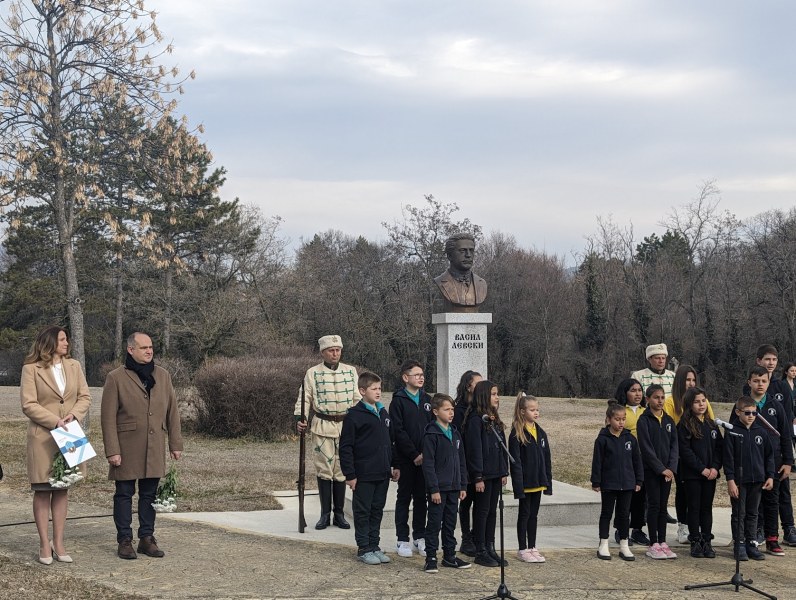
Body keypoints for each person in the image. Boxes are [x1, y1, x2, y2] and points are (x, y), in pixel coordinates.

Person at [101, 332, 183, 560]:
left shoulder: (163, 376)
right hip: (127, 447)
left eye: (151, 347)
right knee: (124, 493)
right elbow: (107, 418)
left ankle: (147, 538)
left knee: (150, 494)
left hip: (154, 444)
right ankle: (124, 540)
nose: (149, 351)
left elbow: (172, 411)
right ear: (131, 350)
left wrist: (175, 444)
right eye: (144, 347)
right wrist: (112, 450)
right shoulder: (116, 378)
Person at [20, 326, 91, 565]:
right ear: (50, 342)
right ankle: (43, 543)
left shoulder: (75, 366)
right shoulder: (31, 369)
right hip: (43, 437)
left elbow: (85, 397)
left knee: (63, 489)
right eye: (62, 339)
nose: (66, 343)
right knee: (43, 490)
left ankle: (58, 542)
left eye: (67, 339)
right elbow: (28, 404)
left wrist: (73, 415)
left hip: (70, 434)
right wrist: (54, 421)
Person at [294, 334, 360, 530]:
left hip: (346, 426)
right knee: (324, 469)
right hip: (322, 426)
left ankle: (339, 514)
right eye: (331, 350)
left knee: (340, 470)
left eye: (338, 350)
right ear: (323, 352)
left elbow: (357, 397)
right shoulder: (312, 373)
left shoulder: (350, 372)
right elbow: (305, 397)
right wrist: (301, 418)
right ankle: (325, 514)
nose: (335, 353)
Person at [339, 372, 400, 565]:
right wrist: (350, 474)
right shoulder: (354, 415)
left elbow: (391, 442)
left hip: (382, 472)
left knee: (377, 510)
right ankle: (364, 547)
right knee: (363, 510)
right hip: (363, 473)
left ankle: (375, 545)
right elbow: (346, 447)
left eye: (380, 388)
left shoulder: (383, 412)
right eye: (374, 388)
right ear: (362, 391)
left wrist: (394, 465)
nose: (378, 392)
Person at [732, 365, 793, 555]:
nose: (760, 384)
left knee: (772, 501)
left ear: (769, 382)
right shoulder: (741, 406)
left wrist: (788, 462)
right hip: (748, 465)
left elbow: (785, 434)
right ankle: (748, 538)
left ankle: (772, 539)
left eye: (764, 381)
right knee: (749, 505)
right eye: (756, 380)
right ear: (749, 382)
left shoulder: (776, 406)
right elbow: (733, 435)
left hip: (772, 462)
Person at [743, 345, 796, 546]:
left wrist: (788, 458)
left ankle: (789, 528)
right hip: (755, 454)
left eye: (774, 359)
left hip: (777, 453)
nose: (771, 363)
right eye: (767, 359)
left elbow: (786, 422)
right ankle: (759, 529)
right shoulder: (749, 389)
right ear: (759, 361)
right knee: (760, 494)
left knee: (781, 492)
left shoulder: (782, 387)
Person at [663, 365, 716, 543]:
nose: (691, 383)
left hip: (702, 455)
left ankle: (701, 529)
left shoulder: (702, 402)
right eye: (687, 380)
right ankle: (683, 526)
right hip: (681, 454)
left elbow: (710, 424)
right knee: (684, 493)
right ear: (680, 382)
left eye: (693, 380)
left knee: (700, 500)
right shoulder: (671, 402)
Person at [421, 393, 471, 573]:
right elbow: (428, 464)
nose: (451, 413)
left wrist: (462, 485)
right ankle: (431, 557)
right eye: (446, 409)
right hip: (438, 489)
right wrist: (433, 489)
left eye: (452, 409)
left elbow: (461, 461)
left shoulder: (455, 433)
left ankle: (449, 556)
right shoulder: (431, 434)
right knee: (434, 523)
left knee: (450, 523)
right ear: (435, 411)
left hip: (454, 487)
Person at [390, 359, 434, 558]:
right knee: (404, 498)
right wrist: (413, 454)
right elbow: (398, 431)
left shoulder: (427, 400)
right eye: (416, 375)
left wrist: (425, 453)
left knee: (421, 499)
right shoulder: (398, 400)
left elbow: (431, 428)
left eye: (422, 374)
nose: (421, 377)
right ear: (405, 377)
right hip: (407, 459)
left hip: (424, 459)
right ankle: (402, 539)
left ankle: (419, 536)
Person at [724, 396, 775, 561]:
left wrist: (770, 476)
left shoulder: (761, 432)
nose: (751, 416)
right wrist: (730, 480)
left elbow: (769, 456)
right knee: (739, 513)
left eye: (754, 412)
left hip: (758, 480)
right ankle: (739, 544)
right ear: (738, 412)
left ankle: (751, 543)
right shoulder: (732, 431)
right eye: (747, 413)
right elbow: (728, 458)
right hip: (740, 481)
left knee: (753, 513)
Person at [464, 380, 508, 567]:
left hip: (496, 473)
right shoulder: (476, 419)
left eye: (497, 394)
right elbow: (475, 450)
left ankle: (490, 547)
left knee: (492, 511)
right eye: (493, 394)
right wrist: (478, 476)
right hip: (483, 475)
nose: (497, 397)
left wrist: (504, 470)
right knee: (482, 512)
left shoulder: (493, 419)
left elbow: (501, 445)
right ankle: (480, 549)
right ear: (483, 396)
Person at [591, 402, 643, 561]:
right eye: (617, 419)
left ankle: (624, 544)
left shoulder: (630, 439)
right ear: (608, 420)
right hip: (609, 483)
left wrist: (639, 480)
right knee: (606, 513)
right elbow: (597, 462)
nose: (621, 423)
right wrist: (596, 481)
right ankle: (603, 543)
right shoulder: (602, 440)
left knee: (624, 514)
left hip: (627, 484)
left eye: (623, 419)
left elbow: (637, 461)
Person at [677, 387, 722, 558]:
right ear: (689, 404)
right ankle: (695, 540)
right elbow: (685, 451)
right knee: (694, 507)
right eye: (697, 401)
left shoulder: (711, 424)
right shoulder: (684, 425)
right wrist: (701, 469)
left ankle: (706, 540)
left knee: (706, 508)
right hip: (693, 475)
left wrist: (714, 468)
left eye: (703, 400)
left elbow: (719, 448)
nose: (701, 404)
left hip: (710, 474)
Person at [509, 392, 552, 563]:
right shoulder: (516, 434)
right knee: (524, 514)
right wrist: (518, 486)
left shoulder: (540, 433)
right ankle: (522, 548)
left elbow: (546, 459)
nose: (536, 413)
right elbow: (516, 463)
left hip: (538, 482)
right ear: (522, 411)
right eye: (532, 410)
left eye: (537, 410)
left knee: (533, 515)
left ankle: (532, 546)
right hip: (526, 483)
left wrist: (547, 481)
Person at [636, 384, 679, 559]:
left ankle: (663, 541)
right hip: (652, 471)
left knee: (663, 506)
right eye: (656, 397)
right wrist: (660, 469)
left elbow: (674, 446)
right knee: (653, 505)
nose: (660, 401)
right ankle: (653, 542)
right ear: (648, 400)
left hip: (667, 473)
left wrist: (671, 468)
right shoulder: (644, 421)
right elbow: (646, 449)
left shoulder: (668, 421)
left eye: (662, 397)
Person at [612, 379, 649, 547]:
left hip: (644, 459)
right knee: (624, 497)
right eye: (633, 390)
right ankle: (621, 529)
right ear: (625, 392)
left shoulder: (646, 411)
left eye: (640, 390)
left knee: (641, 497)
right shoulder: (620, 411)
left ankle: (638, 529)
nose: (638, 393)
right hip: (625, 459)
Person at [452, 369, 482, 556]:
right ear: (468, 386)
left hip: (478, 462)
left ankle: (477, 535)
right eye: (477, 383)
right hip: (463, 461)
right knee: (466, 501)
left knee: (480, 503)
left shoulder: (482, 409)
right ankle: (466, 537)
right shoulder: (457, 409)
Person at [433, 233, 488, 312]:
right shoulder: (440, 281)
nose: (468, 255)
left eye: (471, 250)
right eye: (462, 251)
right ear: (450, 256)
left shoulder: (482, 283)